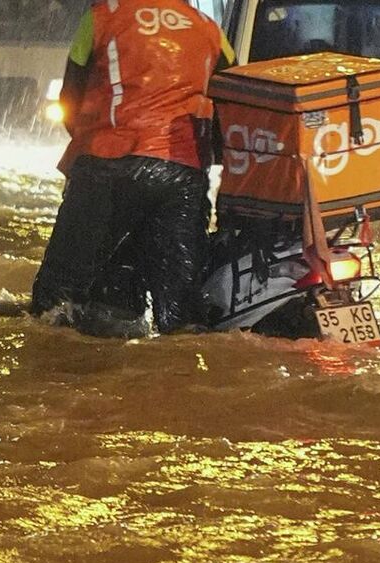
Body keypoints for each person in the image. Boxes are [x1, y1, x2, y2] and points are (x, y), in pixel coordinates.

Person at [27, 0, 232, 335]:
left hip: (108, 163)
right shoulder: (209, 29)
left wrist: (87, 143)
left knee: (56, 297)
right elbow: (232, 102)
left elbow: (69, 97)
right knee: (181, 313)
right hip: (181, 173)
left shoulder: (100, 18)